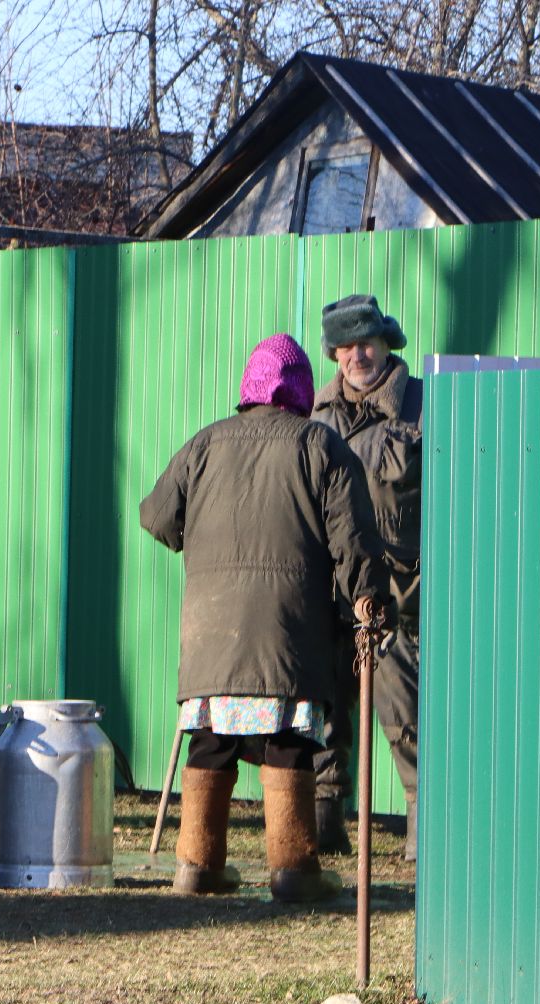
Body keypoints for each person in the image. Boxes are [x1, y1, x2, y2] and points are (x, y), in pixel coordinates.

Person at [140, 333, 388, 900]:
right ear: (300, 387)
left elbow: (157, 518)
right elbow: (353, 542)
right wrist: (367, 602)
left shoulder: (204, 444)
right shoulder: (319, 445)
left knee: (212, 738)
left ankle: (196, 867)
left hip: (211, 632)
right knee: (288, 742)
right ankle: (294, 870)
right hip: (288, 631)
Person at [310, 295, 423, 861]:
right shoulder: (317, 415)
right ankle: (324, 822)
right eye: (347, 346)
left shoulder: (421, 406)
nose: (359, 354)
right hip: (334, 589)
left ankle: (423, 829)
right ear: (334, 353)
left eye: (368, 342)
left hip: (402, 593)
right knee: (326, 710)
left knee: (404, 713)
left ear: (386, 344)